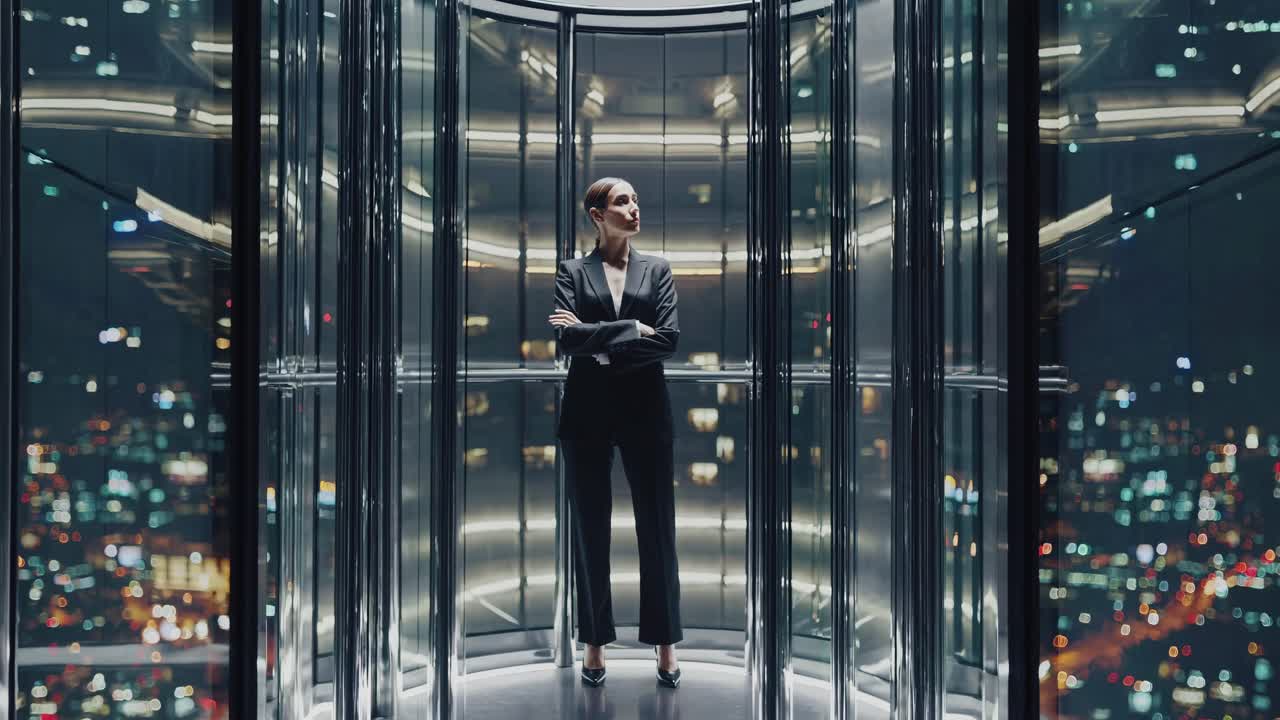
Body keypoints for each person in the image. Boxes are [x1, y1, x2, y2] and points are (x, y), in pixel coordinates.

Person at [548, 177, 683, 689]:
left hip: (646, 411)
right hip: (587, 413)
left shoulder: (658, 269)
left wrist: (598, 344)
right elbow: (565, 341)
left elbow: (668, 340)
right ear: (597, 215)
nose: (634, 208)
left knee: (658, 527)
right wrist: (631, 331)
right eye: (622, 201)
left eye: (636, 199)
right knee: (589, 529)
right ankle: (594, 644)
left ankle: (665, 645)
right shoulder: (572, 271)